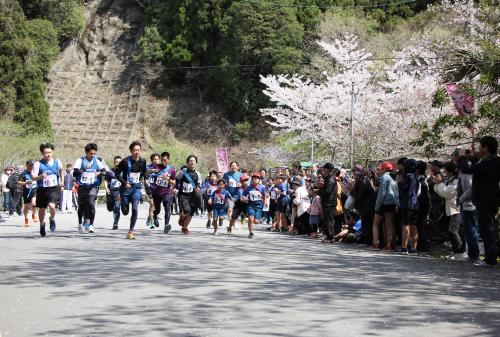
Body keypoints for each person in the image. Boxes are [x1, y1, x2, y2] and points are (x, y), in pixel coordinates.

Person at [460, 136, 500, 268]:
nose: (479, 148)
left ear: (486, 148)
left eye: (481, 146)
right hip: (491, 200)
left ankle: (490, 260)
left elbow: (468, 169)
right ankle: (491, 258)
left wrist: (462, 158)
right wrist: (475, 158)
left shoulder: (488, 163)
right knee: (489, 229)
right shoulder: (494, 161)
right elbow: (480, 168)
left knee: (486, 230)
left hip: (485, 200)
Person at [73, 143, 108, 234]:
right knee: (82, 206)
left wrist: (99, 173)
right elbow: (75, 173)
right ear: (86, 152)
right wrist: (84, 169)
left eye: (94, 154)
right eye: (91, 153)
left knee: (91, 203)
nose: (92, 155)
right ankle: (80, 223)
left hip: (93, 186)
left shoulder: (97, 161)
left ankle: (91, 225)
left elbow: (104, 171)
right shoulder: (80, 160)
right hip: (82, 187)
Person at [31, 143, 64, 237]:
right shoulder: (38, 164)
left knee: (52, 206)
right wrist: (40, 176)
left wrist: (62, 181)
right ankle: (42, 225)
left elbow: (61, 170)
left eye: (50, 152)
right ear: (42, 153)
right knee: (41, 209)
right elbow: (33, 177)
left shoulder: (57, 161)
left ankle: (52, 218)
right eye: (46, 153)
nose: (48, 154)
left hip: (53, 188)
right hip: (42, 189)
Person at [116, 141, 147, 240]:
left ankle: (131, 231)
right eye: (135, 150)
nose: (137, 152)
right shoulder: (125, 161)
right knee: (125, 212)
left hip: (136, 188)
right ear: (131, 151)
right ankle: (123, 204)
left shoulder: (143, 161)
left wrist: (144, 180)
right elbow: (116, 173)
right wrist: (125, 183)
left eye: (138, 150)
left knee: (135, 208)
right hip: (125, 188)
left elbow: (144, 172)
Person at [433, 161, 464, 259]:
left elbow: (446, 193)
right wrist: (438, 183)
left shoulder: (456, 181)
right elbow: (440, 192)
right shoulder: (449, 180)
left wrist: (440, 183)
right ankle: (456, 252)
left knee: (453, 231)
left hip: (456, 209)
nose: (443, 171)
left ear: (450, 171)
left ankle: (461, 252)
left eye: (445, 169)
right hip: (449, 209)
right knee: (450, 231)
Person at [456, 155, 480, 264]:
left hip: (471, 205)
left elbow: (471, 189)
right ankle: (471, 254)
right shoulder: (462, 172)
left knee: (471, 231)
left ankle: (474, 255)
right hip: (464, 204)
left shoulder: (471, 173)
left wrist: (460, 198)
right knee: (468, 231)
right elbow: (460, 188)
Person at [371, 162, 398, 251]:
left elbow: (381, 193)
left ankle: (375, 244)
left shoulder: (385, 178)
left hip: (383, 203)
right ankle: (389, 245)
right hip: (392, 203)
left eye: (380, 168)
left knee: (375, 224)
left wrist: (376, 206)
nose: (379, 170)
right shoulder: (394, 177)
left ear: (384, 169)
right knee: (390, 224)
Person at [150, 152, 176, 234]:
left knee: (167, 208)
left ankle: (166, 225)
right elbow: (147, 172)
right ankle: (155, 216)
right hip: (156, 192)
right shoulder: (156, 167)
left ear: (168, 160)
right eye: (162, 160)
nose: (163, 162)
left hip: (166, 192)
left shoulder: (171, 170)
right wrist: (151, 171)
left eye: (165, 160)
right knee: (157, 209)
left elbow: (174, 183)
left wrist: (168, 179)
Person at [176, 155, 203, 235]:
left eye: (193, 161)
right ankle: (182, 216)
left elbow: (199, 184)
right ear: (187, 162)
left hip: (193, 196)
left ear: (196, 163)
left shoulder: (198, 174)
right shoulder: (181, 173)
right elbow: (176, 181)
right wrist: (175, 188)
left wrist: (198, 188)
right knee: (187, 210)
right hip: (183, 195)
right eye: (190, 161)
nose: (192, 162)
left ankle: (185, 227)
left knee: (191, 212)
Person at [398, 159, 420, 255]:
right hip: (415, 204)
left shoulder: (407, 176)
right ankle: (414, 248)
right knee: (414, 225)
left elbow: (402, 188)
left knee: (406, 225)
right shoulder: (416, 177)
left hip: (407, 203)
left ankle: (404, 247)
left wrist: (399, 182)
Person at [350, 165, 375, 245]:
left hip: (367, 207)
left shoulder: (363, 181)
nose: (353, 174)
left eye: (355, 172)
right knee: (365, 224)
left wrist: (351, 190)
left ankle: (369, 240)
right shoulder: (360, 181)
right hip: (364, 207)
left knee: (367, 224)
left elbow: (359, 195)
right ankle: (367, 240)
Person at [242, 173, 267, 239]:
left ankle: (261, 220)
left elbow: (266, 196)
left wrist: (266, 203)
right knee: (251, 219)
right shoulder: (248, 188)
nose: (255, 179)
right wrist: (244, 198)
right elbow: (243, 195)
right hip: (250, 205)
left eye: (257, 178)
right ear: (252, 179)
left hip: (259, 206)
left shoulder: (262, 187)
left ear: (259, 180)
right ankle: (250, 232)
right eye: (254, 178)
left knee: (256, 221)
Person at [318, 163, 338, 243]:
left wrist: (318, 191)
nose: (323, 170)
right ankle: (328, 235)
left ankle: (330, 236)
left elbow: (327, 192)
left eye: (324, 168)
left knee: (329, 220)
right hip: (328, 202)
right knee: (327, 219)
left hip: (329, 202)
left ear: (327, 169)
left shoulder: (330, 178)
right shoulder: (328, 178)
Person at [415, 161, 431, 252]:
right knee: (420, 225)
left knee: (420, 225)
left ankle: (422, 246)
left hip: (422, 206)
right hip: (423, 205)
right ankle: (421, 245)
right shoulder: (422, 179)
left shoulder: (421, 181)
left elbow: (418, 195)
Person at [17, 160, 38, 226]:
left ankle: (34, 214)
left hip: (34, 190)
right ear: (27, 165)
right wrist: (26, 182)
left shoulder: (36, 172)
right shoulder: (23, 173)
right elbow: (19, 182)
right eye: (30, 165)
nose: (32, 167)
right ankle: (26, 219)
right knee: (26, 206)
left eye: (33, 165)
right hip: (26, 191)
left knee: (34, 203)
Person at [104, 156, 122, 230]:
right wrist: (106, 188)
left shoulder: (124, 172)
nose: (118, 163)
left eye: (119, 162)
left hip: (119, 193)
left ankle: (115, 223)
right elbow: (105, 181)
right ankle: (110, 207)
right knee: (110, 208)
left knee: (117, 208)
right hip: (110, 192)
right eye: (116, 162)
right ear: (114, 163)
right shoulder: (110, 172)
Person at [145, 153, 161, 229]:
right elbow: (144, 174)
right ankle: (152, 223)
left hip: (158, 189)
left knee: (156, 206)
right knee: (152, 204)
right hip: (149, 188)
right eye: (154, 159)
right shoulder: (147, 167)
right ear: (151, 160)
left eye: (157, 159)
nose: (156, 161)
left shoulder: (161, 168)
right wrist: (151, 171)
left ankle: (151, 216)